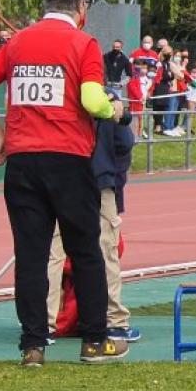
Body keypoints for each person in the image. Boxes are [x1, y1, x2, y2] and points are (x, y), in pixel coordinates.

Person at [0, 0, 130, 366]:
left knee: (31, 255)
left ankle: (33, 345)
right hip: (68, 160)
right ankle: (94, 341)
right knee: (85, 251)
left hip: (23, 163)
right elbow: (92, 99)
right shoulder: (83, 43)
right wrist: (115, 110)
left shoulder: (19, 42)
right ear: (82, 6)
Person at [46, 93, 137, 344]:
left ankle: (45, 322)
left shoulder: (59, 95)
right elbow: (125, 143)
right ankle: (114, 319)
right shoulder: (107, 99)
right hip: (98, 180)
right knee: (106, 250)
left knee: (54, 253)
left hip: (60, 179)